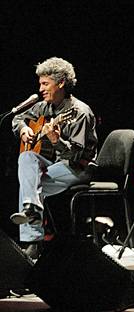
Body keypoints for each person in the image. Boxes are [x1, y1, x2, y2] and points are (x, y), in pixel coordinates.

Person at [10, 57, 98, 258]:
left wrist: (56, 140)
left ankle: (34, 241)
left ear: (60, 83)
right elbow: (17, 118)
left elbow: (76, 156)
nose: (40, 89)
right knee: (26, 159)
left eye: (45, 83)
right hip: (58, 165)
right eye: (40, 83)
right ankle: (33, 211)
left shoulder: (80, 112)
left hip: (80, 168)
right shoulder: (44, 107)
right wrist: (24, 129)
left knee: (30, 185)